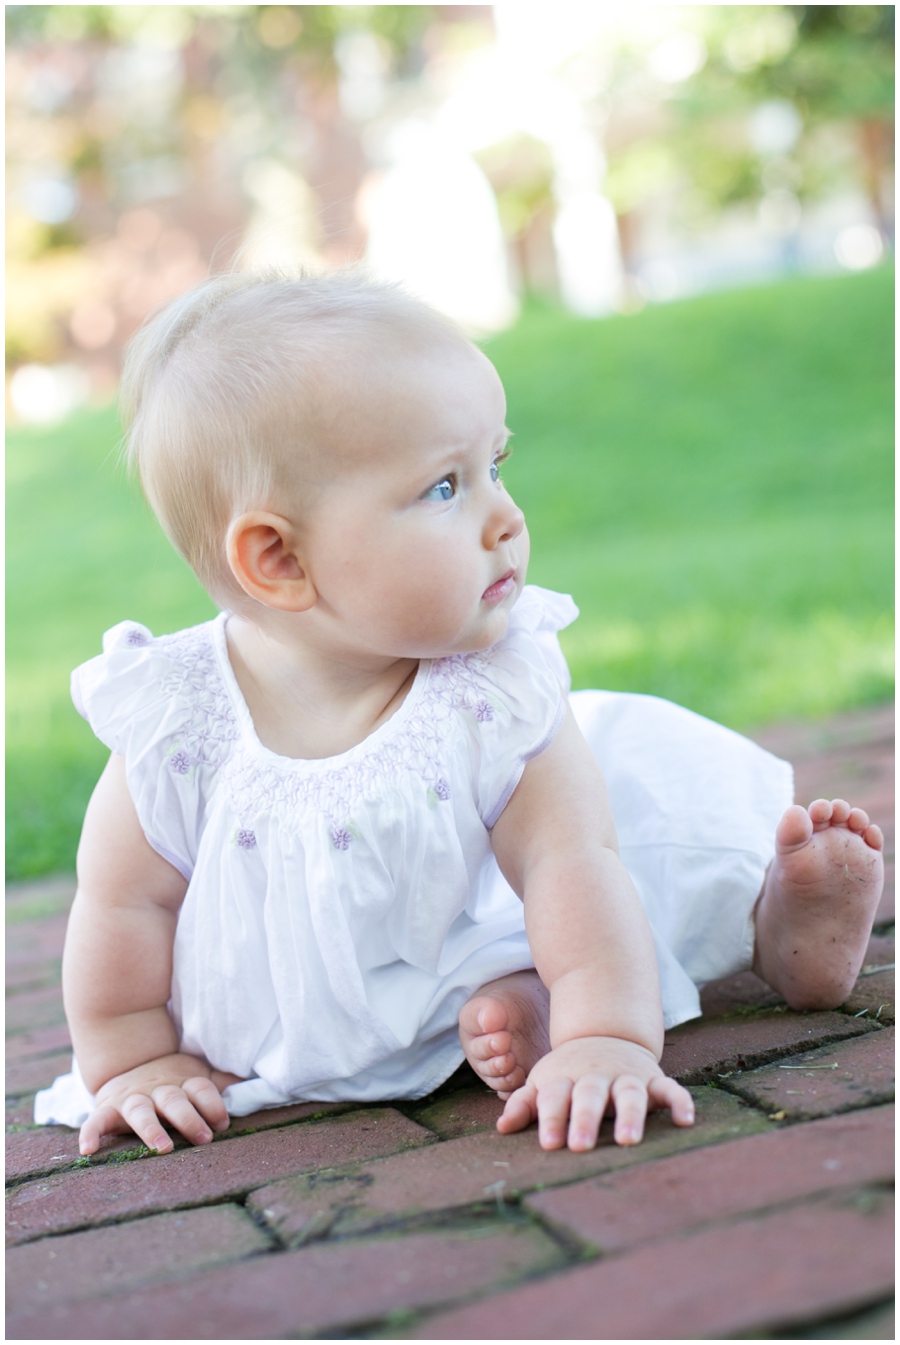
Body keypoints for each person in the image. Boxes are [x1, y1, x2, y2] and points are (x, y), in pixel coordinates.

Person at [35, 272, 884, 1157]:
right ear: (280, 558)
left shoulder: (490, 692)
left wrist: (608, 1038)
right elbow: (122, 903)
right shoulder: (180, 721)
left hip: (496, 924)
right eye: (446, 488)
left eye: (495, 468)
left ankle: (776, 927)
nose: (506, 518)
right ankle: (515, 1009)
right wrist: (131, 1059)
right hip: (297, 1004)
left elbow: (569, 866)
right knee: (499, 979)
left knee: (638, 870)